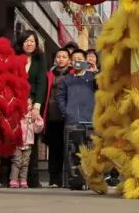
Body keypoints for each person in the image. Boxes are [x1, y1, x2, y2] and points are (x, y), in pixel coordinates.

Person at [56, 48, 97, 189]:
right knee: (72, 152)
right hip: (72, 121)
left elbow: (104, 88)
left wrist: (95, 71)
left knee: (91, 152)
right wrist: (65, 111)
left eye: (80, 60)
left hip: (90, 120)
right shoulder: (67, 79)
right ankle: (76, 182)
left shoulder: (93, 78)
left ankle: (92, 181)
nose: (77, 62)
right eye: (74, 60)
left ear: (85, 61)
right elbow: (60, 96)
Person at [14, 30, 47, 186]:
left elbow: (41, 83)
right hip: (14, 102)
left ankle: (30, 179)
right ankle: (10, 177)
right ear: (21, 43)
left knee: (31, 141)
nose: (29, 43)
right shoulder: (14, 56)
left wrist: (36, 107)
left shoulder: (40, 59)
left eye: (32, 41)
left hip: (32, 103)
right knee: (13, 139)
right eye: (26, 41)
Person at [44, 48, 71, 187]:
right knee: (53, 148)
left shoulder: (72, 73)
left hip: (66, 115)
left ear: (69, 60)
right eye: (58, 56)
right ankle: (53, 178)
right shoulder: (50, 74)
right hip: (51, 115)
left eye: (64, 57)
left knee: (65, 147)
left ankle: (64, 178)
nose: (61, 59)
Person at [10, 98, 45, 188]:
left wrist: (38, 120)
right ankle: (14, 180)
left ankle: (23, 181)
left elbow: (37, 130)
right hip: (17, 143)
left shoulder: (31, 116)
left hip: (28, 143)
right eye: (25, 104)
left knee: (25, 163)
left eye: (29, 104)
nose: (27, 106)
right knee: (17, 162)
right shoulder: (17, 114)